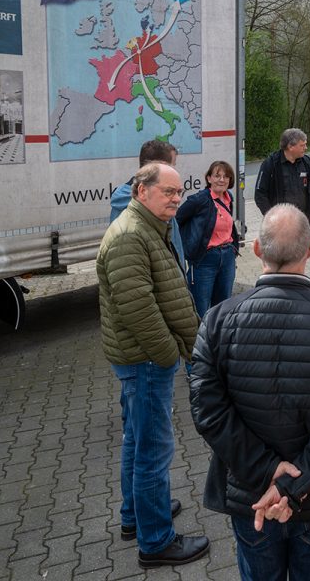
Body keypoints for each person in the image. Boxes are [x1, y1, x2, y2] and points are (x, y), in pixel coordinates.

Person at [189, 204, 310, 581]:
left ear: (256, 249)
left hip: (250, 497)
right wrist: (291, 485)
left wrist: (268, 474)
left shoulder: (217, 321)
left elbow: (207, 411)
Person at [97, 162, 209, 568]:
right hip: (145, 361)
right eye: (168, 192)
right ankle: (156, 541)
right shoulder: (130, 235)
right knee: (152, 452)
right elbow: (138, 308)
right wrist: (166, 355)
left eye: (179, 193)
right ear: (142, 190)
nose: (177, 199)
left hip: (143, 359)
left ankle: (135, 516)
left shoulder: (146, 226)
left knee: (137, 442)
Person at [176, 160, 241, 318]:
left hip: (227, 258)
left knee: (223, 306)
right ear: (209, 178)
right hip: (205, 260)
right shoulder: (200, 199)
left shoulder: (228, 197)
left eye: (226, 176)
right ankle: (201, 341)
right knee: (201, 308)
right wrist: (188, 244)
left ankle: (219, 339)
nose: (222, 179)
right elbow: (177, 219)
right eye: (217, 175)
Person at [109, 139, 185, 269]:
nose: (177, 199)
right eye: (172, 165)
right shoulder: (128, 217)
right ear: (159, 166)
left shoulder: (161, 204)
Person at [254, 128, 310, 225]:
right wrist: (271, 217)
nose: (306, 148)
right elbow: (260, 194)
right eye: (302, 145)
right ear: (290, 146)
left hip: (303, 223)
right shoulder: (271, 164)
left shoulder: (307, 162)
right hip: (280, 225)